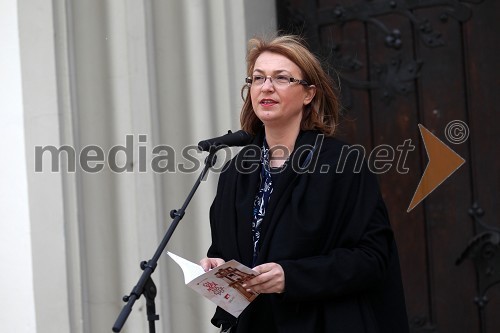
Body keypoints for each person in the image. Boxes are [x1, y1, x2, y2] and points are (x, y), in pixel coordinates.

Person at [200, 35, 409, 333]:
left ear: (309, 94)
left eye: (281, 78)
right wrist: (218, 267)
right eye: (258, 78)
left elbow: (372, 258)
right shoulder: (237, 172)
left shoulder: (342, 162)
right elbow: (227, 249)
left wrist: (291, 276)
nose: (266, 87)